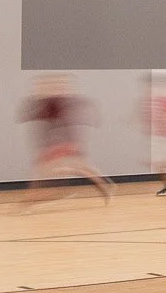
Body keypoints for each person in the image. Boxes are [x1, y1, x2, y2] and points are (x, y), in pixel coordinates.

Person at [19, 73, 112, 207]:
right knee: (76, 168)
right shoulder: (46, 104)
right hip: (56, 143)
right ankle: (104, 186)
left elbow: (75, 115)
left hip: (63, 142)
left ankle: (30, 201)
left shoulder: (60, 103)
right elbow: (41, 120)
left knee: (61, 169)